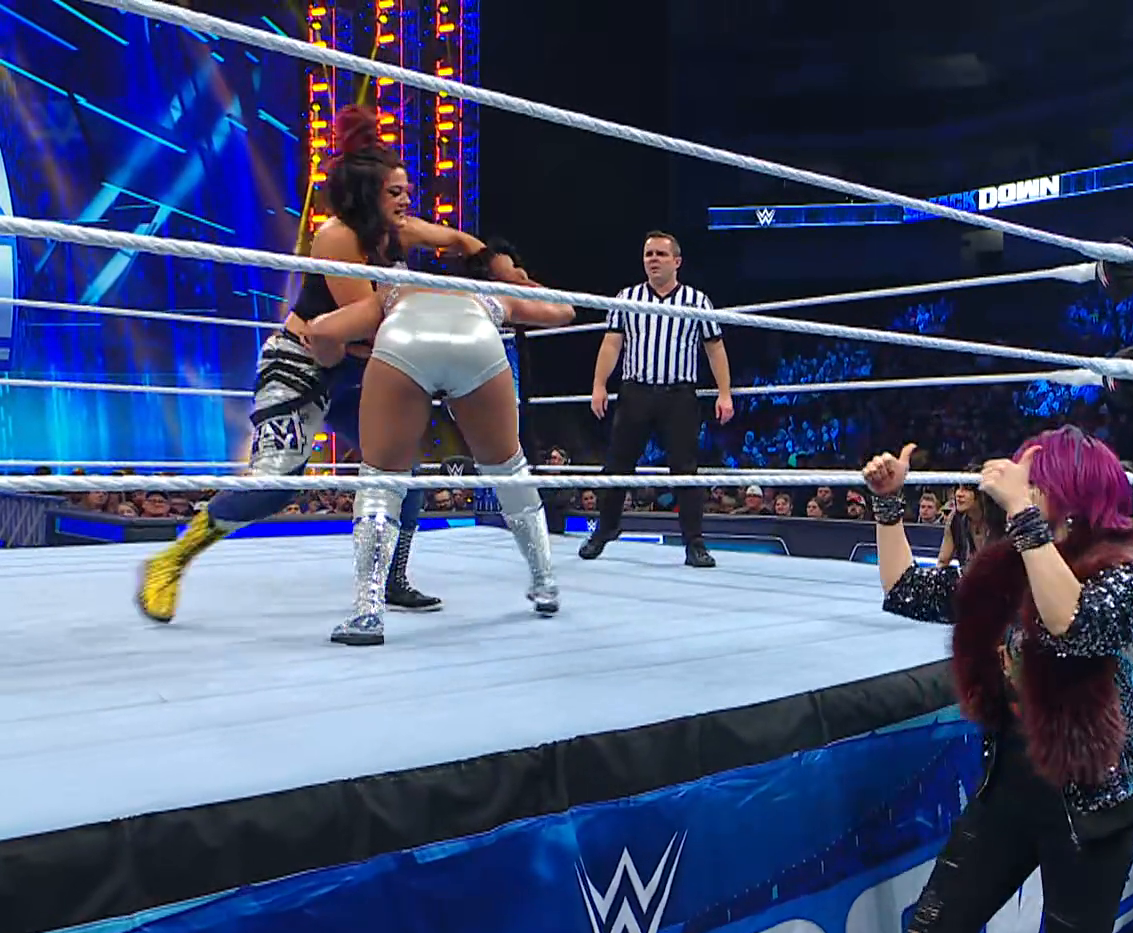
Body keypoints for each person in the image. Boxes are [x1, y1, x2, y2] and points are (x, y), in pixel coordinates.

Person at [864, 428, 1133, 933]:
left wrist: (1022, 516)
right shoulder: (1001, 566)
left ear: (1069, 492)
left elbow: (1071, 624)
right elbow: (906, 589)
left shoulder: (1118, 574)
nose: (1016, 487)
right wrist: (888, 504)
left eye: (1033, 480)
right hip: (1011, 789)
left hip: (1089, 807)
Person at [136, 105, 487, 623]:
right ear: (368, 194)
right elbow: (367, 323)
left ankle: (392, 578)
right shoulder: (337, 237)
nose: (406, 199)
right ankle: (170, 561)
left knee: (401, 467)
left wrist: (501, 271)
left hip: (353, 369)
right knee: (278, 483)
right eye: (395, 192)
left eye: (407, 190)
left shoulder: (396, 231)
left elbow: (459, 241)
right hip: (301, 364)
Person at [303, 250, 574, 645]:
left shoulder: (395, 291)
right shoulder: (489, 294)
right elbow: (565, 312)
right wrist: (521, 281)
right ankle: (545, 584)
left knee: (381, 481)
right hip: (476, 340)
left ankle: (367, 613)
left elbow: (324, 330)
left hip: (405, 340)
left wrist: (340, 356)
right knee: (509, 470)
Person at [578, 231, 735, 567]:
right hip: (635, 392)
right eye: (648, 254)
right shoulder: (627, 297)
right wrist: (598, 385)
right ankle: (604, 530)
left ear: (677, 261)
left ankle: (694, 543)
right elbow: (611, 344)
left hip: (679, 395)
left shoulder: (697, 301)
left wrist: (724, 393)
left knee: (685, 470)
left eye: (661, 254)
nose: (653, 260)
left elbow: (715, 348)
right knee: (617, 464)